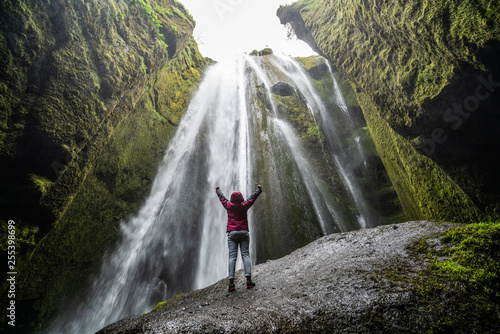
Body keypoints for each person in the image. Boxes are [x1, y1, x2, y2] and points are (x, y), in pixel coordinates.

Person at [215, 185, 263, 292]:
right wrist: (258, 190)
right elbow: (252, 198)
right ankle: (249, 281)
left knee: (232, 257)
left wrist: (218, 190)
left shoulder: (229, 206)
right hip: (244, 232)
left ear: (232, 199)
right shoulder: (244, 205)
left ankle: (231, 284)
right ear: (241, 198)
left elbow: (222, 199)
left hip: (232, 233)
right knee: (245, 255)